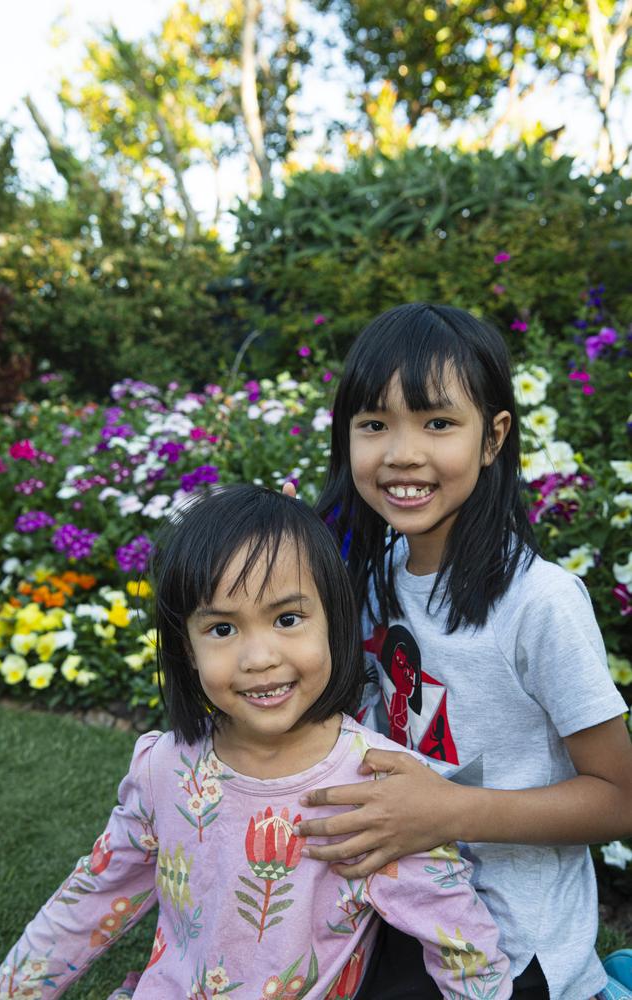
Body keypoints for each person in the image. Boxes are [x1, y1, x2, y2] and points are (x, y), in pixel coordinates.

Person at [0, 485, 512, 1000]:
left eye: (287, 619)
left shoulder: (376, 788)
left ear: (334, 620)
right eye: (221, 629)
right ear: (186, 648)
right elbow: (89, 902)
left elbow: (463, 946)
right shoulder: (163, 769)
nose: (259, 657)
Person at [283, 302, 632, 1000]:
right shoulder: (371, 579)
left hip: (512, 949)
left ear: (494, 436)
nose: (402, 452)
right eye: (375, 424)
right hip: (398, 911)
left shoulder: (539, 604)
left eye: (438, 423)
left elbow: (620, 799)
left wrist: (445, 813)